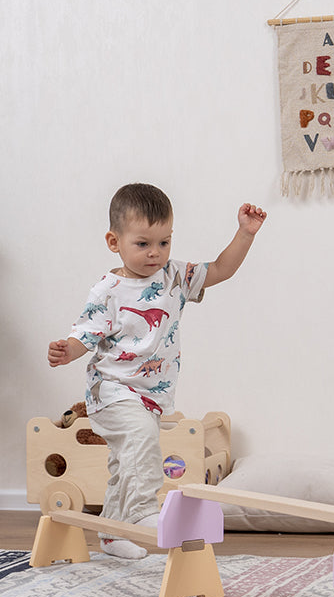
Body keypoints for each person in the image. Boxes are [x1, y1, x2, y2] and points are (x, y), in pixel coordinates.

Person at [47, 183, 267, 559]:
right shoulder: (108, 291)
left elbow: (220, 269)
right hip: (113, 389)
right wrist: (68, 350)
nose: (156, 253)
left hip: (152, 392)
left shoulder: (174, 277)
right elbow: (86, 333)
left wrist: (244, 234)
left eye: (164, 243)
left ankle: (113, 534)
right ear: (114, 241)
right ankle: (141, 510)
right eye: (143, 244)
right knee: (141, 437)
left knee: (125, 460)